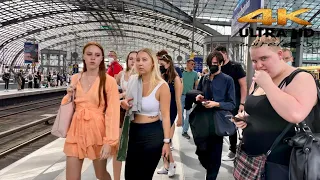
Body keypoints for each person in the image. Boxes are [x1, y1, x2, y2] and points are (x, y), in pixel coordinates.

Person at [233, 36, 317, 179]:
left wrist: (268, 85)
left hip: (280, 164)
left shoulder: (300, 78)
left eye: (264, 58)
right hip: (250, 159)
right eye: (254, 61)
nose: (258, 65)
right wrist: (245, 118)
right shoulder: (261, 79)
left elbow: (296, 114)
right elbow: (262, 112)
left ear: (279, 55)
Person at [62, 42, 120, 180]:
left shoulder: (108, 81)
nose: (93, 58)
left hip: (98, 131)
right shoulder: (75, 78)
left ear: (101, 59)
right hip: (76, 130)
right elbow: (67, 105)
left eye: (97, 55)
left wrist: (109, 141)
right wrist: (69, 94)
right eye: (89, 54)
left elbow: (113, 112)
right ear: (83, 57)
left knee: (101, 175)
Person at [121, 48, 171, 180]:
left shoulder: (162, 86)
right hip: (133, 132)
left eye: (144, 60)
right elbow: (127, 99)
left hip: (152, 134)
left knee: (144, 176)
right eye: (138, 60)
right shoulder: (133, 81)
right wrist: (124, 103)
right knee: (129, 176)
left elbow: (166, 116)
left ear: (153, 63)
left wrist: (167, 143)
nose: (140, 63)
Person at [192, 51, 235, 180]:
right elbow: (198, 93)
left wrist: (216, 104)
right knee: (201, 151)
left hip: (217, 122)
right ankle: (209, 169)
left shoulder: (228, 80)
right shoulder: (205, 78)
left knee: (215, 154)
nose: (212, 65)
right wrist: (198, 97)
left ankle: (211, 176)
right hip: (202, 120)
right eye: (210, 63)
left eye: (215, 63)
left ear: (221, 63)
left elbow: (232, 104)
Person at [214, 46, 247, 161]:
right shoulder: (218, 68)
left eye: (219, 56)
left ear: (225, 54)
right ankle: (226, 149)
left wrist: (242, 104)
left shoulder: (236, 67)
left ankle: (233, 150)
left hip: (235, 101)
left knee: (233, 125)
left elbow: (243, 85)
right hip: (221, 103)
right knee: (220, 124)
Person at [157, 54, 183, 177]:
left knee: (165, 138)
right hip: (161, 110)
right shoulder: (163, 77)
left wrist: (180, 117)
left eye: (162, 65)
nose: (160, 67)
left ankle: (172, 163)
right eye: (159, 65)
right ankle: (166, 165)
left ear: (169, 64)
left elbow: (178, 100)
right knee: (162, 139)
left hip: (171, 111)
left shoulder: (176, 79)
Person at [113, 51, 137, 180]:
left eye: (136, 59)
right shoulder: (120, 75)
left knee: (133, 148)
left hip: (137, 114)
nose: (133, 61)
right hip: (122, 112)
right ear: (127, 60)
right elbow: (111, 95)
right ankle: (116, 178)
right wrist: (122, 95)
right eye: (131, 58)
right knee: (119, 147)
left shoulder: (142, 76)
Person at [181, 59, 199, 139]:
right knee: (180, 114)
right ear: (187, 64)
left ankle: (184, 131)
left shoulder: (195, 74)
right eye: (191, 64)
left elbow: (196, 85)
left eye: (194, 64)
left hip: (190, 96)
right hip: (181, 96)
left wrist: (196, 94)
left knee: (188, 114)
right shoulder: (182, 73)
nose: (193, 65)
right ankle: (183, 127)